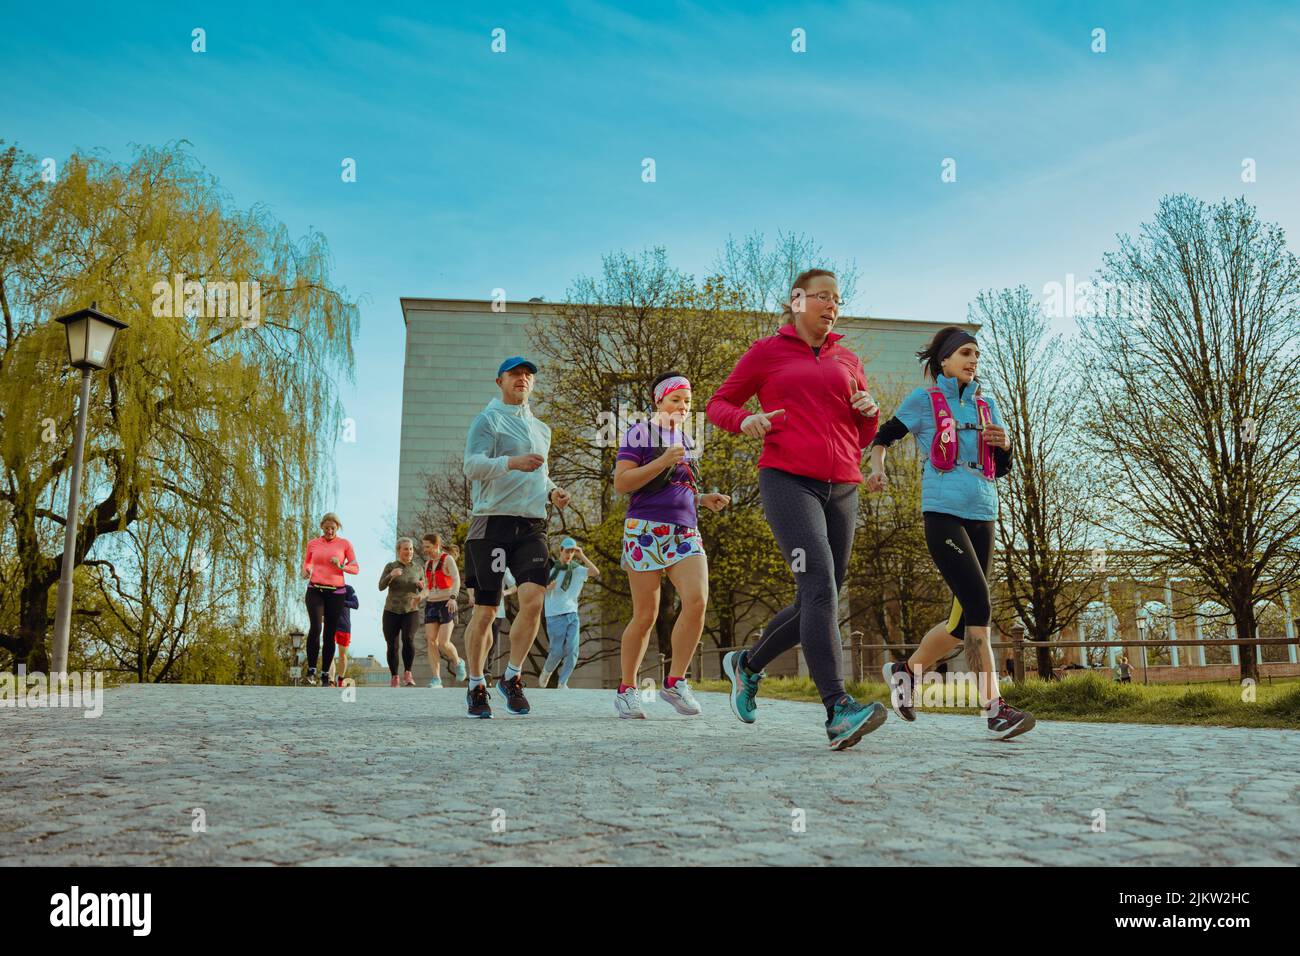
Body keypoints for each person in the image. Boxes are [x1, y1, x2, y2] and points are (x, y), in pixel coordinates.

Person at [707, 270, 889, 751]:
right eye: (822, 296)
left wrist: (868, 416)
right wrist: (746, 419)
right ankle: (837, 709)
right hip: (788, 479)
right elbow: (717, 403)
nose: (832, 305)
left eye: (838, 299)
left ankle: (747, 665)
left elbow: (860, 435)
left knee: (819, 593)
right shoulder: (767, 352)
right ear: (797, 301)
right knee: (819, 587)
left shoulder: (849, 359)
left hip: (843, 486)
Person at [869, 325, 1036, 740]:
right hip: (943, 514)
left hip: (984, 511)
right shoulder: (924, 400)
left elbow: (1005, 467)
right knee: (980, 606)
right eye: (964, 352)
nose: (972, 360)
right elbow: (884, 436)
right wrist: (876, 468)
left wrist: (1007, 446)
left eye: (976, 354)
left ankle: (906, 673)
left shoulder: (987, 404)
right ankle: (994, 709)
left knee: (961, 624)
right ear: (943, 360)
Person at [461, 356, 573, 718]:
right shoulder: (487, 420)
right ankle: (476, 684)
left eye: (528, 375)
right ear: (500, 381)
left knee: (534, 600)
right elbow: (471, 466)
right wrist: (511, 462)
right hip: (492, 523)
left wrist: (553, 490)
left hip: (531, 526)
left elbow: (542, 474)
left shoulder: (542, 428)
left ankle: (512, 677)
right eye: (515, 374)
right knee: (488, 610)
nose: (522, 379)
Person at [613, 372, 731, 718]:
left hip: (684, 531)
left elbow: (681, 486)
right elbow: (622, 483)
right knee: (646, 615)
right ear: (659, 400)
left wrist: (703, 498)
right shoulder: (640, 432)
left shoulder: (689, 440)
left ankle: (675, 681)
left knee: (696, 600)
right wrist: (662, 459)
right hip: (645, 529)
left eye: (687, 401)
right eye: (676, 399)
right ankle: (627, 689)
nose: (682, 406)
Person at [300, 512, 359, 686]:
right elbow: (307, 563)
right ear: (322, 527)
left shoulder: (345, 544)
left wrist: (341, 566)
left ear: (337, 528)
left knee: (329, 633)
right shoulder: (313, 544)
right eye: (326, 528)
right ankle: (311, 670)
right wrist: (306, 571)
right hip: (315, 589)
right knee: (316, 627)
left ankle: (326, 673)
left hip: (336, 592)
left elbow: (355, 568)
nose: (329, 531)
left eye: (333, 528)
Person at [540, 537, 600, 689]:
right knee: (557, 652)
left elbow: (595, 572)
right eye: (567, 551)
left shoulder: (577, 570)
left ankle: (562, 683)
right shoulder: (551, 570)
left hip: (572, 614)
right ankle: (547, 672)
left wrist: (582, 556)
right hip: (554, 615)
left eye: (572, 551)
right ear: (561, 550)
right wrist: (548, 588)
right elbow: (537, 591)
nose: (569, 554)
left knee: (573, 651)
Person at [420, 533, 467, 687]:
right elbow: (428, 587)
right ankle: (436, 678)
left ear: (436, 545)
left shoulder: (447, 559)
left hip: (447, 603)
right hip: (432, 604)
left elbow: (456, 579)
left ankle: (458, 662)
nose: (424, 549)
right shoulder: (427, 564)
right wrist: (419, 597)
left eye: (427, 546)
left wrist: (453, 597)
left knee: (443, 642)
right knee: (431, 641)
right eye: (424, 546)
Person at [378, 537, 424, 687]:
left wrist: (422, 586)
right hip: (391, 610)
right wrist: (391, 575)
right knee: (392, 645)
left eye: (411, 549)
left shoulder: (418, 568)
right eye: (406, 549)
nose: (409, 552)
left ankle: (408, 674)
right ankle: (394, 676)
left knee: (408, 639)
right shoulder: (391, 566)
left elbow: (425, 588)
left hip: (411, 610)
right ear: (399, 551)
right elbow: (380, 586)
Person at [330, 584, 359, 686]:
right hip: (330, 624)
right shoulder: (326, 588)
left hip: (344, 626)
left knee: (342, 655)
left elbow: (356, 604)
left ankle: (341, 679)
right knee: (329, 653)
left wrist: (341, 602)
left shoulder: (348, 588)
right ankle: (331, 680)